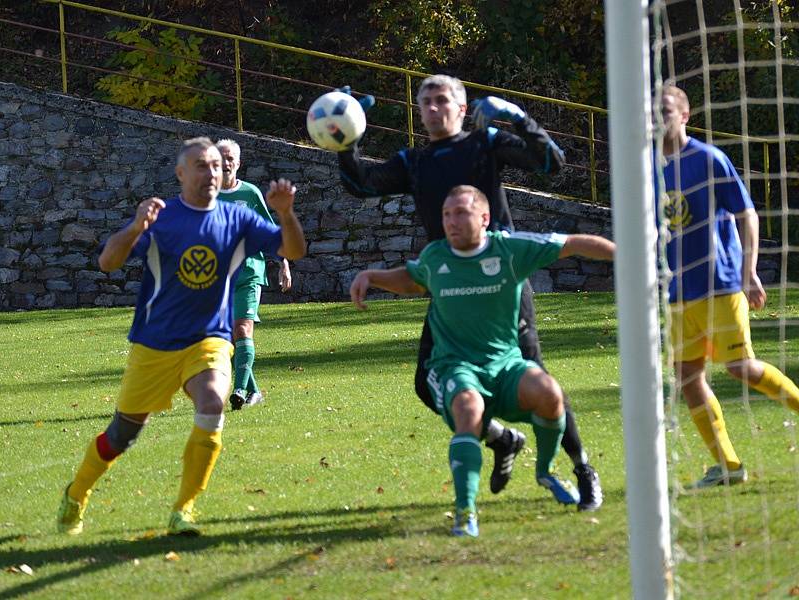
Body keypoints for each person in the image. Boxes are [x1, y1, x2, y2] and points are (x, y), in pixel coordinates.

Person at [338, 74, 603, 510]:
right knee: (429, 384)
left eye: (442, 100)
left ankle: (581, 468)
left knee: (538, 377)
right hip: (450, 286)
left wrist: (518, 117)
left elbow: (552, 163)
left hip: (502, 284)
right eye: (425, 102)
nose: (433, 108)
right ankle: (500, 438)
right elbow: (363, 183)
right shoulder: (415, 161)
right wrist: (347, 139)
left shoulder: (486, 143)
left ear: (462, 108)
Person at [56, 137, 306, 536]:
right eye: (201, 166)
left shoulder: (237, 219)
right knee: (121, 436)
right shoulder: (162, 218)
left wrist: (287, 214)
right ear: (180, 173)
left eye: (216, 166)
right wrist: (136, 226)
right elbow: (107, 261)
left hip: (208, 339)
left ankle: (184, 509)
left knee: (211, 401)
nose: (212, 173)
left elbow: (293, 248)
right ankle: (77, 492)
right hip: (153, 345)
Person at [350, 185, 614, 536]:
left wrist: (625, 254)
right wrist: (372, 277)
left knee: (551, 395)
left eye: (460, 213)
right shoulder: (436, 256)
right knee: (468, 410)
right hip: (455, 365)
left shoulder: (511, 250)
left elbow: (573, 244)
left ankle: (545, 471)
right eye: (446, 214)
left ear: (485, 218)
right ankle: (465, 512)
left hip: (505, 363)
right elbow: (414, 281)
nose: (451, 221)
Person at [659, 86, 799, 488]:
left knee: (740, 367)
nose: (658, 117)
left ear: (684, 116)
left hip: (719, 282)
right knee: (687, 378)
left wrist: (748, 271)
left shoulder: (708, 159)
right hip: (678, 291)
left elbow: (746, 213)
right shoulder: (650, 168)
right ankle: (728, 465)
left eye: (666, 110)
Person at [216, 138, 293, 410]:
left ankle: (239, 388)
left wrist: (283, 263)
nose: (225, 163)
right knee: (226, 338)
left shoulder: (249, 194)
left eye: (230, 159)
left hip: (249, 273)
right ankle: (254, 391)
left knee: (242, 329)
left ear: (238, 163)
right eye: (221, 158)